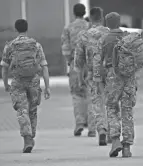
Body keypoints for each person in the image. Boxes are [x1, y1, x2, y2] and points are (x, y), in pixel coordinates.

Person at [94, 12, 143, 157]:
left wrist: (98, 82)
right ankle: (127, 147)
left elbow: (97, 63)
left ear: (107, 24)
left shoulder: (103, 39)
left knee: (111, 108)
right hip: (129, 77)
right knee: (127, 111)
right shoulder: (128, 38)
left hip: (112, 76)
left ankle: (115, 139)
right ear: (119, 22)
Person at [0, 19, 50, 153]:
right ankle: (31, 134)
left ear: (16, 30)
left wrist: (5, 84)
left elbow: (4, 68)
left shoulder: (10, 46)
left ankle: (27, 137)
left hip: (18, 81)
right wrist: (47, 86)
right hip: (34, 80)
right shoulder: (36, 45)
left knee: (22, 110)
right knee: (32, 110)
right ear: (27, 29)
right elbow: (44, 67)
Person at [74, 7, 109, 146]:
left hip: (93, 74)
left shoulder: (84, 35)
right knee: (111, 103)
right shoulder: (109, 33)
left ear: (91, 18)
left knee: (97, 102)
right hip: (109, 72)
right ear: (102, 17)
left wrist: (79, 77)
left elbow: (79, 60)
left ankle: (101, 129)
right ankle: (113, 131)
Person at [61, 3, 96, 137]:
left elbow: (65, 48)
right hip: (90, 64)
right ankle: (93, 128)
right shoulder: (90, 27)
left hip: (76, 64)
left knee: (77, 94)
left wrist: (70, 61)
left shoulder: (68, 28)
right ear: (84, 12)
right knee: (92, 94)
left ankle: (79, 123)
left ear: (74, 13)